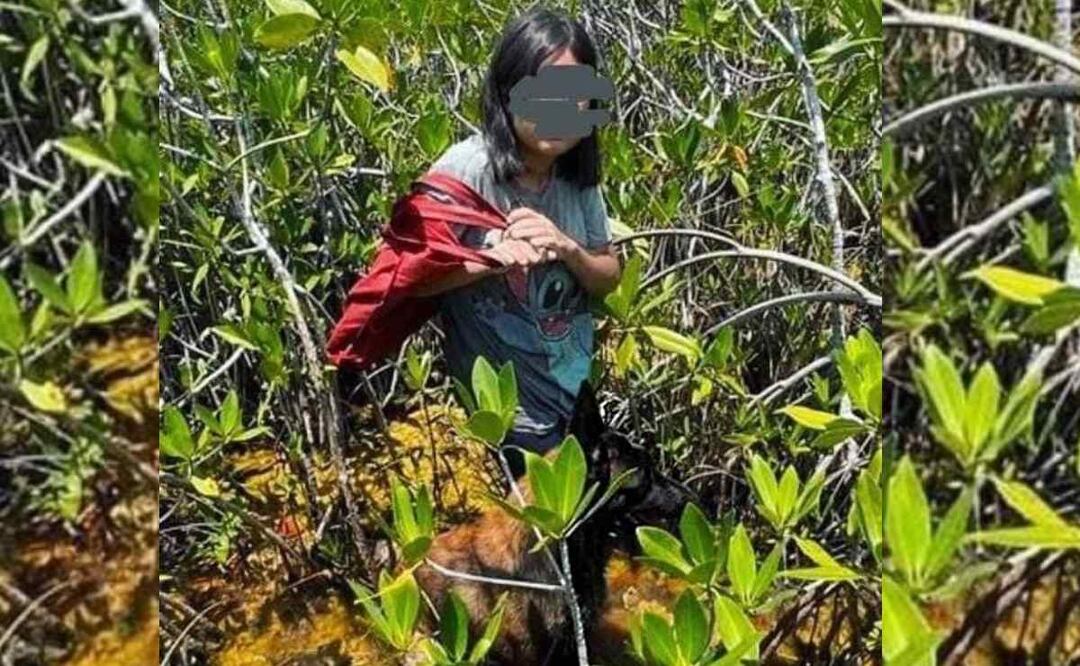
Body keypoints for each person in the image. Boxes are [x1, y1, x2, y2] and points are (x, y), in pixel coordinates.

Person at [412, 7, 621, 478]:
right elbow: (410, 280)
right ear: (508, 92)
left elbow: (608, 278)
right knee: (531, 546)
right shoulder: (465, 171)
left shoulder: (578, 177)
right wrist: (490, 260)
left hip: (575, 398)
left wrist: (568, 248)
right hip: (511, 417)